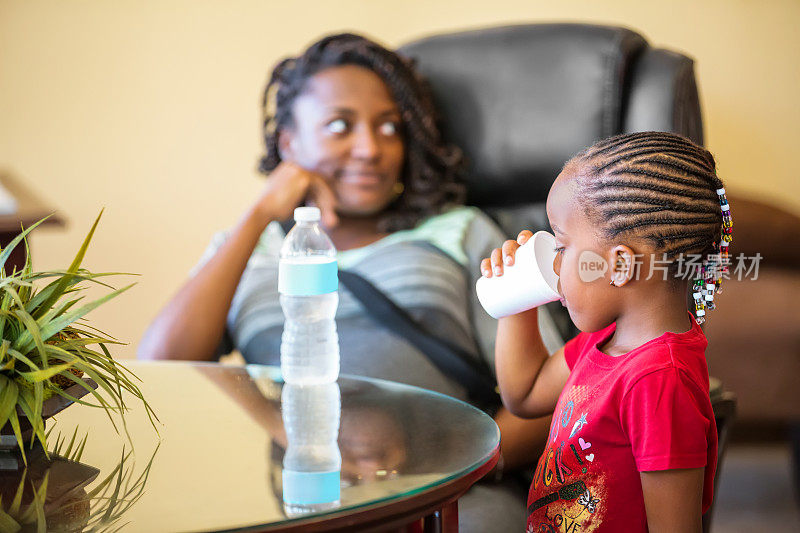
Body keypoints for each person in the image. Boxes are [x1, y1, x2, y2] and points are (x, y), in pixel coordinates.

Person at [138, 33, 563, 531]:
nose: (371, 148)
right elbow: (161, 368)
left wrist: (452, 473)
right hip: (305, 495)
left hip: (452, 494)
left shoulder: (458, 230)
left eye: (390, 128)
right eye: (340, 126)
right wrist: (257, 215)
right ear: (290, 144)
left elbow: (554, 389)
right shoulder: (249, 251)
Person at [482, 131, 724, 532]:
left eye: (562, 247)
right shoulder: (607, 340)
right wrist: (516, 303)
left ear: (620, 266)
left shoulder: (660, 381)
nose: (555, 266)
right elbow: (524, 394)